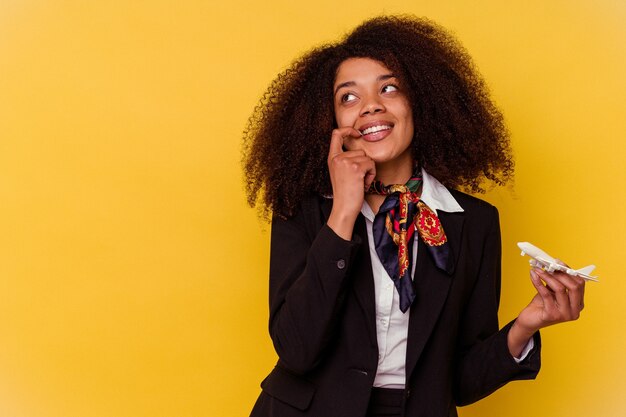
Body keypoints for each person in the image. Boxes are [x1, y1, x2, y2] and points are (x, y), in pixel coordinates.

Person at [242, 15, 585, 417]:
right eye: (348, 97)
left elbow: (458, 381)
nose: (371, 105)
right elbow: (296, 350)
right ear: (331, 122)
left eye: (389, 88)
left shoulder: (472, 223)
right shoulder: (304, 210)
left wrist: (527, 324)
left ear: (420, 101)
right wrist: (343, 211)